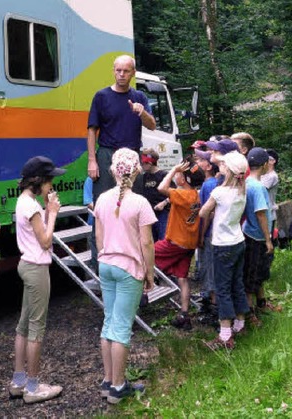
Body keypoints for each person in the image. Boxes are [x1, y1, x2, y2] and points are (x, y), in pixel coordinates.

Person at [94, 148, 156, 404]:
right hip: (129, 269)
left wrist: (106, 256)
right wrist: (149, 273)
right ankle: (119, 387)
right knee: (121, 327)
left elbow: (98, 237)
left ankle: (108, 381)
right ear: (137, 171)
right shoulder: (140, 203)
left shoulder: (101, 200)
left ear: (112, 171)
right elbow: (147, 243)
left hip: (106, 265)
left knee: (109, 322)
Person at [8, 156, 65, 404]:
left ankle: (19, 382)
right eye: (49, 180)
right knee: (36, 329)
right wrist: (52, 213)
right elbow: (45, 241)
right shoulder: (31, 207)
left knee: (23, 325)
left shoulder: (25, 201)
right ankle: (32, 388)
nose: (51, 185)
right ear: (38, 181)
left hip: (26, 265)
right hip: (37, 269)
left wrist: (45, 206)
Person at [87, 55, 156, 202]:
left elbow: (152, 125)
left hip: (132, 154)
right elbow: (92, 130)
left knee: (132, 200)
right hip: (107, 154)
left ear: (133, 73)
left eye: (126, 71)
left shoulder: (140, 97)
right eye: (118, 70)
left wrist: (142, 112)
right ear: (113, 71)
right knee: (103, 201)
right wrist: (92, 160)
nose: (122, 74)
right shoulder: (101, 96)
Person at [199, 152, 250, 350]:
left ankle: (225, 334)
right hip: (238, 241)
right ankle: (240, 323)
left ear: (228, 170)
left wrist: (212, 211)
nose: (220, 166)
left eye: (223, 164)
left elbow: (203, 212)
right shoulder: (241, 190)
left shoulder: (219, 192)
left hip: (222, 245)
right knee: (237, 283)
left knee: (222, 288)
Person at [154, 159, 205, 330]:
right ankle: (185, 315)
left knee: (143, 252)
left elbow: (161, 188)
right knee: (182, 278)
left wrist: (174, 169)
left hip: (176, 243)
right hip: (189, 244)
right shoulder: (197, 195)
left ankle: (144, 291)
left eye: (178, 174)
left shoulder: (183, 194)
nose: (176, 175)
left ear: (183, 179)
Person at [242, 148, 274, 324]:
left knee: (259, 272)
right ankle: (250, 313)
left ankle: (262, 303)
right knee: (251, 276)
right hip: (257, 237)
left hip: (249, 232)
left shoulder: (246, 182)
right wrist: (268, 239)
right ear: (263, 165)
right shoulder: (259, 187)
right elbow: (261, 214)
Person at [195, 149, 220, 321]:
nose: (197, 161)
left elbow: (208, 213)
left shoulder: (209, 184)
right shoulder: (209, 183)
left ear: (208, 166)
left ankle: (214, 310)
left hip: (210, 233)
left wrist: (201, 235)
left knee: (210, 270)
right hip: (213, 233)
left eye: (200, 159)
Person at [141, 148, 171, 241]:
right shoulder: (145, 176)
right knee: (151, 240)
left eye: (144, 163)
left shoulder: (163, 175)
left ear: (150, 163)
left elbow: (175, 194)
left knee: (163, 239)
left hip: (162, 214)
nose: (142, 166)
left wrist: (164, 203)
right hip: (150, 213)